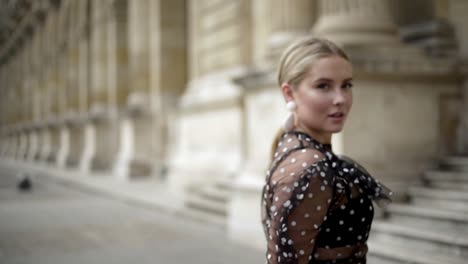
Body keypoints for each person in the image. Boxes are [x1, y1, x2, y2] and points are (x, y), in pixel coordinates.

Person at [261, 37, 392, 264]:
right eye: (323, 86)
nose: (340, 99)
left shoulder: (294, 146)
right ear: (289, 93)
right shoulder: (311, 168)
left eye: (347, 85)